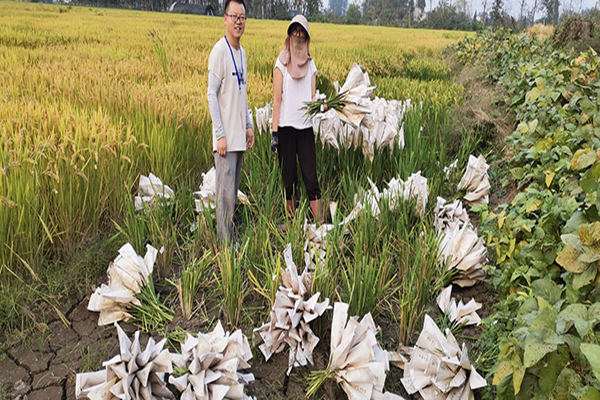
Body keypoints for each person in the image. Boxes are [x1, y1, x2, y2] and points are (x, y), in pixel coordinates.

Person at [207, 0, 254, 245]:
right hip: (225, 140)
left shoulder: (242, 53)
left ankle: (229, 242)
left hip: (238, 138)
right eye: (234, 16)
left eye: (242, 17)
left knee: (232, 195)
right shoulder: (219, 51)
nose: (238, 22)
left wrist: (249, 124)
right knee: (224, 198)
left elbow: (241, 93)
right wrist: (220, 135)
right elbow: (211, 94)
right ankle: (224, 249)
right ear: (225, 18)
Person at [271, 15, 323, 229]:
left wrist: (322, 105)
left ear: (307, 37)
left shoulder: (311, 66)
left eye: (302, 32)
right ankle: (291, 224)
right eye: (294, 31)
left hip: (305, 129)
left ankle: (320, 224)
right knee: (288, 178)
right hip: (285, 128)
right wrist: (274, 134)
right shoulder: (281, 63)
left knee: (311, 177)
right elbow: (277, 99)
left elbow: (312, 96)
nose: (298, 35)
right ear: (289, 34)